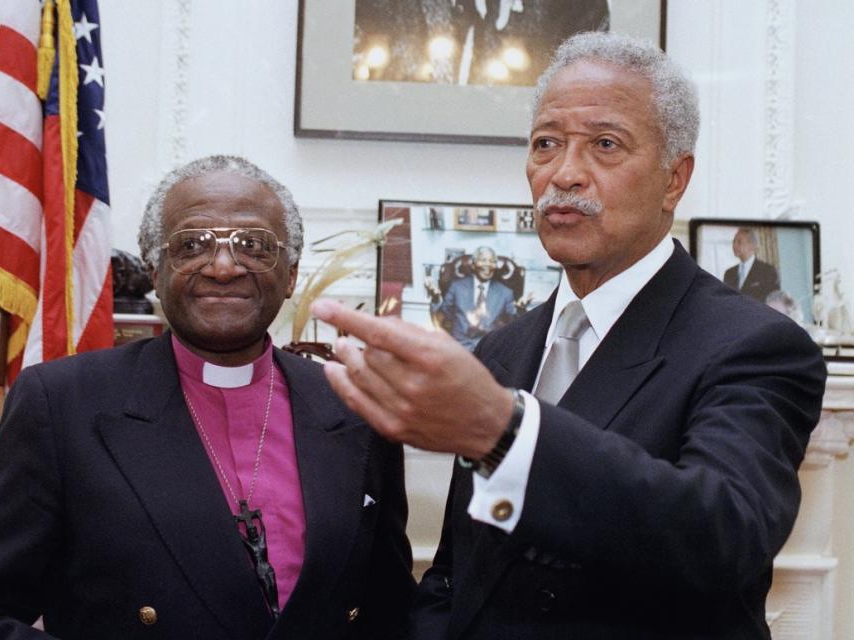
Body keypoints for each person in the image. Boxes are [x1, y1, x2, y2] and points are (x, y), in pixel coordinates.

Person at [312, 32, 826, 639]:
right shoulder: (502, 349)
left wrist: (503, 432)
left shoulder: (754, 344)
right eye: (545, 144)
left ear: (673, 179)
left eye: (605, 145)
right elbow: (459, 571)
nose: (565, 174)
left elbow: (723, 536)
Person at [0, 156, 415, 639]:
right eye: (192, 244)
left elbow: (390, 614)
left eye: (254, 245)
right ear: (155, 272)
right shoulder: (60, 404)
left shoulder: (355, 404)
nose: (223, 267)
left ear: (289, 275)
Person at [425, 246, 518, 349]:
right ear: (473, 265)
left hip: (490, 351)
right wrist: (436, 297)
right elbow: (442, 316)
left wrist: (521, 309)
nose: (487, 264)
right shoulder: (456, 287)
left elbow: (515, 324)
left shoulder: (505, 292)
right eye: (483, 260)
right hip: (460, 350)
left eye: (492, 261)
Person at [723, 227, 781, 302]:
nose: (734, 245)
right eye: (733, 241)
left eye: (739, 242)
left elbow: (773, 302)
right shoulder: (729, 273)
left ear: (752, 246)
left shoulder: (768, 271)